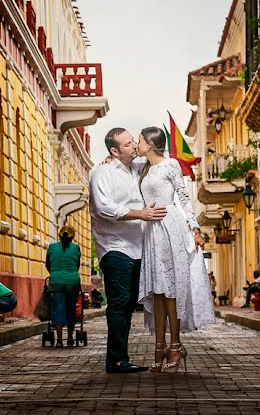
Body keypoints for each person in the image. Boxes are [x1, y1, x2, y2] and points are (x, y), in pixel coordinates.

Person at [136, 127, 215, 374]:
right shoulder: (143, 170)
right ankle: (158, 347)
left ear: (149, 144)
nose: (137, 144)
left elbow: (182, 196)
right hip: (151, 231)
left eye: (139, 141)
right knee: (157, 291)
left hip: (170, 228)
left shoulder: (170, 165)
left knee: (171, 290)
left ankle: (175, 345)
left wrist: (195, 227)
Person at [89, 128, 167, 374]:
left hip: (139, 249)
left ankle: (120, 357)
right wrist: (140, 213)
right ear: (114, 151)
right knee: (120, 303)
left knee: (129, 303)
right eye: (128, 144)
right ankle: (116, 361)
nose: (134, 145)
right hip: (115, 248)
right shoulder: (101, 172)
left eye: (134, 140)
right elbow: (103, 208)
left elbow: (158, 155)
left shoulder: (137, 169)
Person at [45, 226, 82, 347]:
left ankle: (59, 340)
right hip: (72, 282)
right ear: (72, 237)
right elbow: (77, 265)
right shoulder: (76, 248)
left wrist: (56, 273)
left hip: (56, 281)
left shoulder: (52, 247)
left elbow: (48, 265)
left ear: (60, 236)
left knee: (58, 309)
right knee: (71, 308)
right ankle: (70, 338)